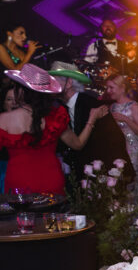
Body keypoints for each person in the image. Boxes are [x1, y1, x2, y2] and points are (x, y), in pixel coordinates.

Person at [0, 64, 100, 194]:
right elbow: (78, 144)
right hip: (52, 180)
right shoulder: (55, 116)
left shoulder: (3, 120)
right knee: (53, 214)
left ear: (21, 91)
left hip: (20, 183)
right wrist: (91, 120)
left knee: (22, 215)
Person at [104, 74, 138, 204]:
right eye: (107, 88)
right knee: (120, 186)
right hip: (118, 151)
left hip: (134, 150)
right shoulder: (112, 107)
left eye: (111, 87)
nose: (108, 91)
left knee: (134, 184)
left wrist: (126, 119)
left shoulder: (134, 106)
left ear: (122, 87)